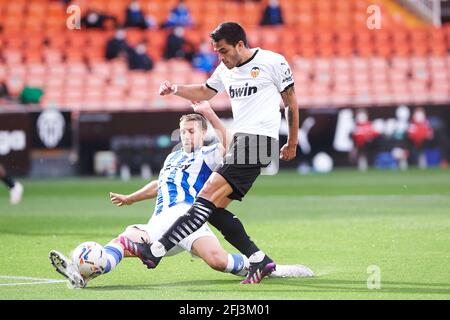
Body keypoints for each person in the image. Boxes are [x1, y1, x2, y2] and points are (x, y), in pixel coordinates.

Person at [49, 106, 312, 288]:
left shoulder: (209, 154)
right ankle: (82, 273)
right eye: (183, 131)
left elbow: (230, 145)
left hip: (188, 218)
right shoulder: (173, 157)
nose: (186, 135)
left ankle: (272, 268)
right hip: (159, 221)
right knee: (123, 242)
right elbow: (159, 184)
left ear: (202, 133)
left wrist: (210, 114)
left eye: (192, 131)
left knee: (218, 262)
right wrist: (131, 198)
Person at [122, 22, 299, 284]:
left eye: (224, 50)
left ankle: (155, 250)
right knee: (212, 211)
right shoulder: (224, 70)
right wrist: (175, 90)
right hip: (242, 143)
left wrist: (292, 142)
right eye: (217, 51)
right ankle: (259, 259)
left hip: (259, 141)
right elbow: (205, 91)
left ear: (240, 45)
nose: (221, 57)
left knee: (202, 198)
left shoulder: (273, 62)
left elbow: (291, 103)